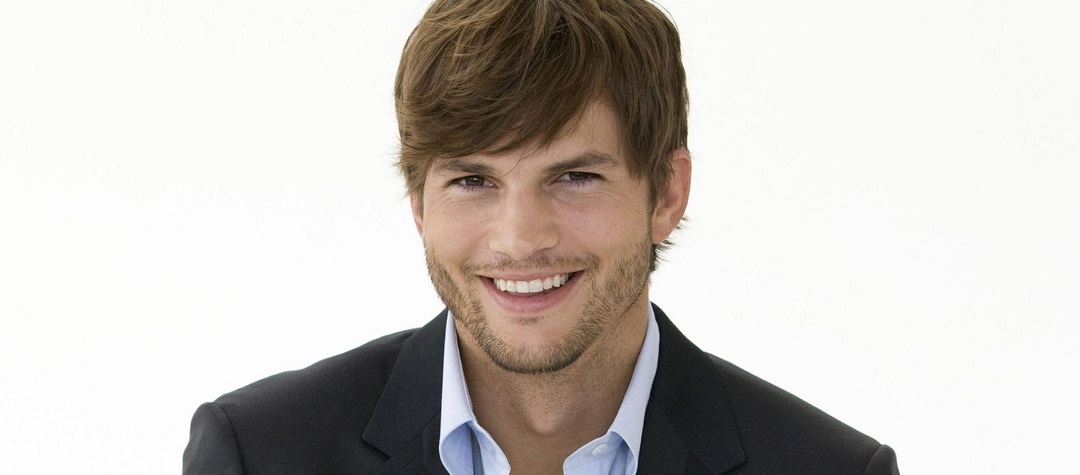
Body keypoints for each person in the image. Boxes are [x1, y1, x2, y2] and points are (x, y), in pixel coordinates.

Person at [183, 0, 900, 473]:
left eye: (574, 177)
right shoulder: (261, 455)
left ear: (666, 193)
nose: (520, 238)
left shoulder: (829, 470)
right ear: (418, 202)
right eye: (473, 180)